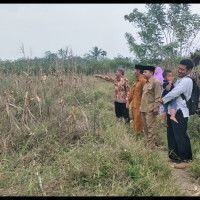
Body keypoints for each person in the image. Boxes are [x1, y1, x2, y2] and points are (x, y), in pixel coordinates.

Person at [160, 59, 194, 169]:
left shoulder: (187, 81)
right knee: (171, 135)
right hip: (172, 111)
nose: (179, 71)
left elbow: (175, 92)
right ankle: (173, 156)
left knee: (180, 136)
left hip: (180, 112)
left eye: (182, 69)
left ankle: (185, 160)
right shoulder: (179, 79)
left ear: (189, 70)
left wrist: (163, 100)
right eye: (179, 68)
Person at [140, 65, 162, 150]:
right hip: (144, 108)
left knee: (151, 127)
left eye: (145, 72)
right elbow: (144, 96)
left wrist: (156, 107)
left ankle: (150, 146)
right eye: (143, 72)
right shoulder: (146, 83)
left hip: (151, 109)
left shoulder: (156, 82)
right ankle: (149, 142)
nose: (143, 73)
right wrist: (141, 107)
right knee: (145, 127)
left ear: (151, 73)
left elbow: (158, 96)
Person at [126, 64, 146, 135]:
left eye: (135, 70)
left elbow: (145, 95)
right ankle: (136, 135)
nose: (134, 72)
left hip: (140, 106)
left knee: (139, 123)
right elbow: (131, 93)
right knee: (134, 121)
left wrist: (142, 106)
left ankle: (139, 137)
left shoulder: (143, 81)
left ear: (138, 71)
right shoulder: (136, 81)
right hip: (134, 106)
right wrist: (128, 101)